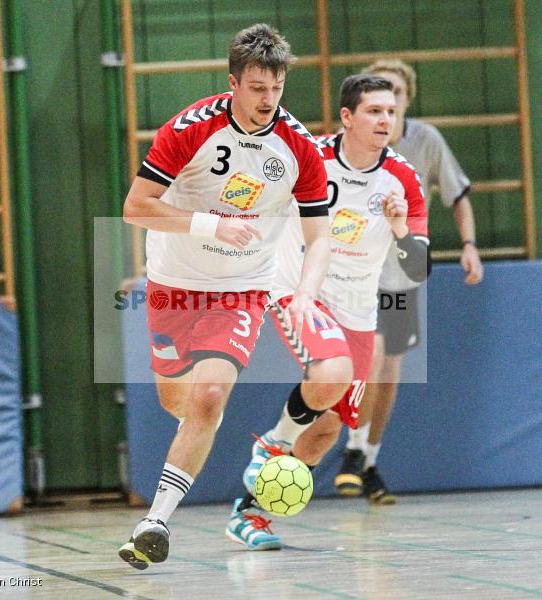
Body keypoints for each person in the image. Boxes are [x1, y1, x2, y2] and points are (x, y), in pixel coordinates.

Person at [118, 23, 335, 570]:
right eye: (258, 88)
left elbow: (321, 235)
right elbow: (135, 207)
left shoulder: (298, 148)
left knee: (210, 396)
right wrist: (209, 226)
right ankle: (192, 438)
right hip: (173, 283)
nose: (269, 100)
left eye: (277, 88)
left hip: (240, 289)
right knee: (180, 403)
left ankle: (155, 522)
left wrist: (307, 291)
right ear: (234, 82)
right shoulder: (190, 129)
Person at [225, 74, 430, 550]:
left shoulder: (400, 179)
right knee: (331, 370)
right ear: (347, 117)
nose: (385, 119)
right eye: (374, 111)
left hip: (359, 310)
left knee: (327, 430)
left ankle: (249, 514)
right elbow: (244, 197)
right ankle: (272, 444)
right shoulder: (307, 158)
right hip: (300, 290)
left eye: (391, 111)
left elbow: (419, 268)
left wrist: (400, 229)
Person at [334, 59, 484, 503]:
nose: (388, 107)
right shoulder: (350, 145)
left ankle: (369, 460)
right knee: (370, 355)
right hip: (357, 270)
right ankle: (350, 449)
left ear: (406, 101)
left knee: (390, 369)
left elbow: (458, 195)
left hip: (401, 271)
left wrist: (469, 245)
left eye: (395, 96)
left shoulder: (426, 141)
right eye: (378, 100)